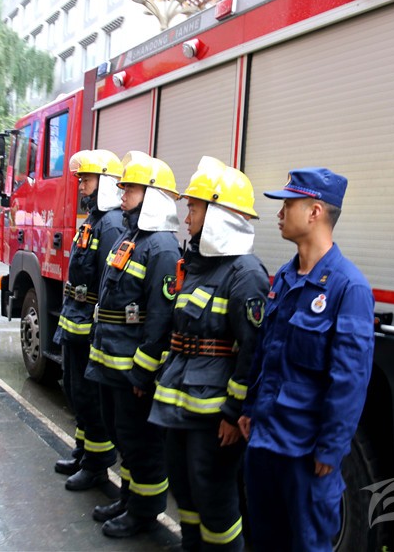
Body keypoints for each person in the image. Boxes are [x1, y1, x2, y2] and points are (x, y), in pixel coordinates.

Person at [238, 168, 374, 551]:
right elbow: (266, 350)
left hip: (304, 455)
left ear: (315, 212)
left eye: (288, 204)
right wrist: (249, 406)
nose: (280, 213)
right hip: (265, 443)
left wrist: (330, 448)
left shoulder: (349, 288)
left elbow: (350, 379)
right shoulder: (285, 277)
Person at [148, 157, 269, 551]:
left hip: (214, 413)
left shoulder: (245, 274)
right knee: (184, 487)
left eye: (194, 209)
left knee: (213, 495)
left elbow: (252, 352)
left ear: (218, 215)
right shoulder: (198, 266)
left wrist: (234, 414)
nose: (186, 218)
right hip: (181, 401)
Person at [85, 151, 181, 538]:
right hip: (110, 361)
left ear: (152, 195)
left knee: (142, 442)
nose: (122, 194)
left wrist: (143, 371)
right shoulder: (131, 237)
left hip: (132, 369)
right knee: (123, 435)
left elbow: (160, 318)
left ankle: (144, 511)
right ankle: (128, 498)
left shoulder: (162, 248)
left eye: (130, 189)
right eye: (122, 187)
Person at [52, 150, 124, 490]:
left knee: (91, 399)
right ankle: (83, 452)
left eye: (87, 179)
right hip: (74, 323)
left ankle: (96, 465)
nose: (81, 185)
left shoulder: (110, 224)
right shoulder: (93, 220)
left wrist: (98, 331)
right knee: (76, 392)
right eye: (81, 179)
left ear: (105, 181)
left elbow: (109, 284)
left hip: (89, 329)